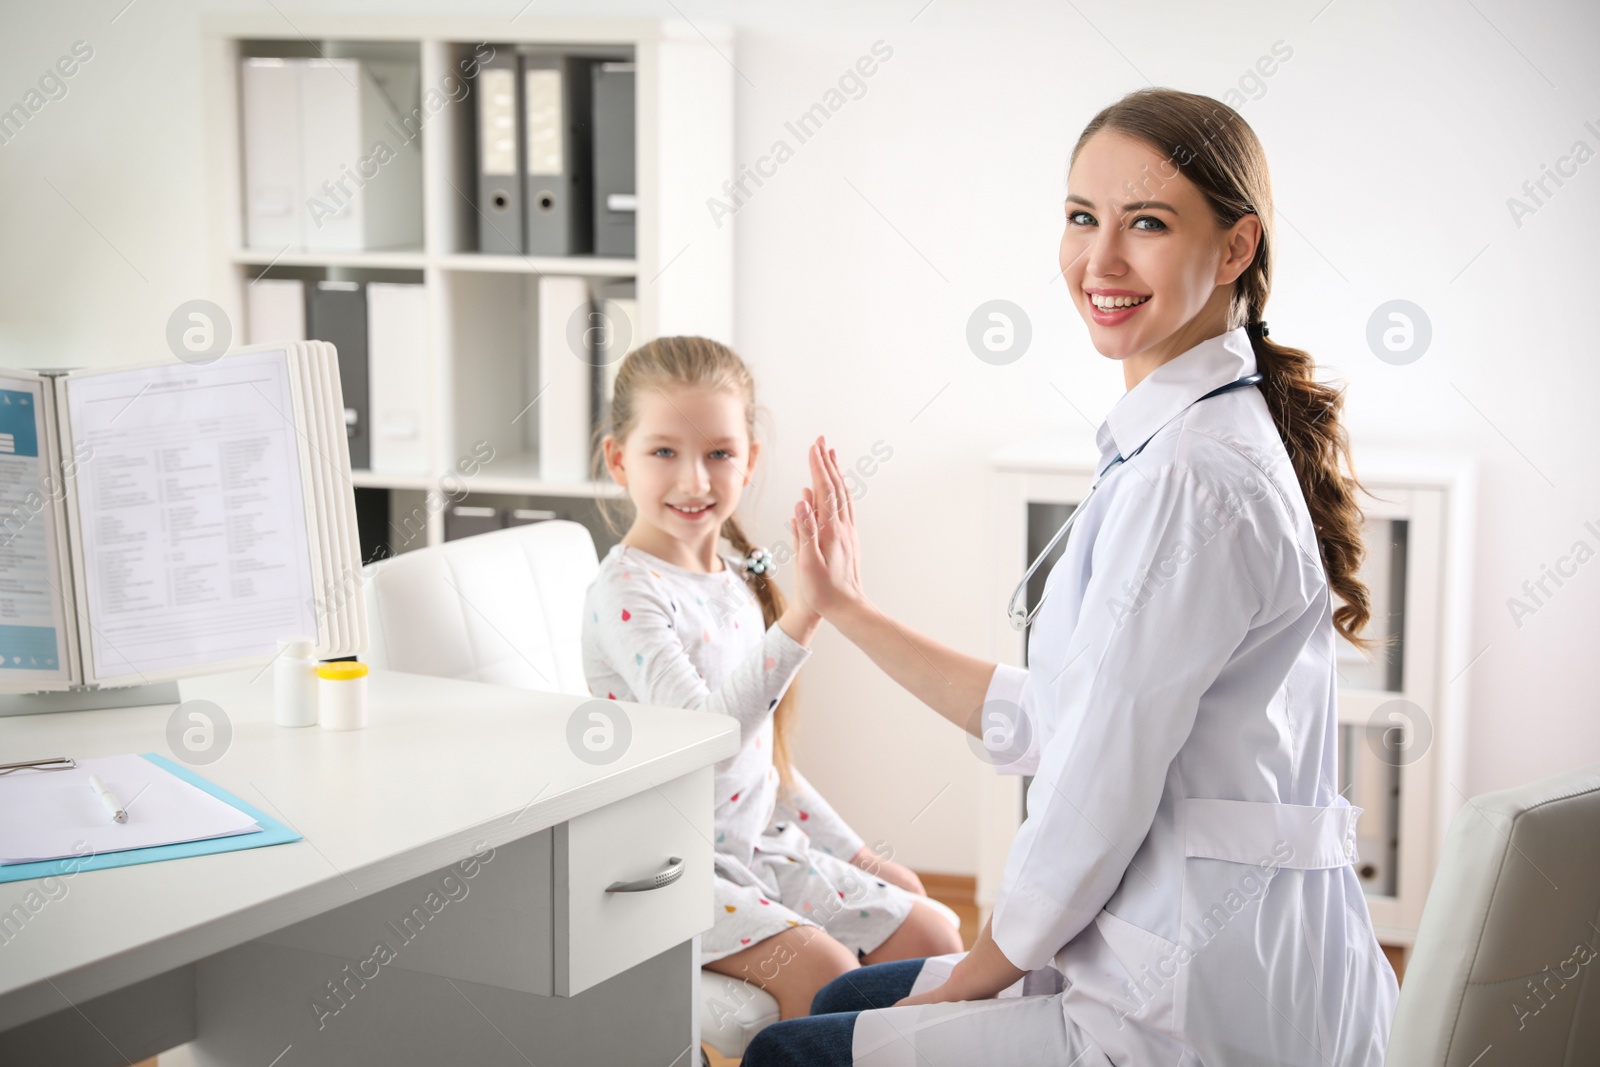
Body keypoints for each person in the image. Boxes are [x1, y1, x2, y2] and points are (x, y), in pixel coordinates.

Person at [745, 86, 1400, 1066]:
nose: (1100, 260)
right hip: (1180, 951)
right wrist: (844, 608)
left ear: (1234, 248)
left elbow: (1097, 784)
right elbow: (1061, 716)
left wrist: (980, 969)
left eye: (1146, 223)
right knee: (847, 994)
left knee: (789, 1052)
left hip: (1191, 1007)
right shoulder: (1179, 437)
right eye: (1081, 218)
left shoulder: (1192, 474)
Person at [581, 336, 964, 1023]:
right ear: (618, 458)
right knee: (828, 978)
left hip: (759, 848)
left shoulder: (735, 584)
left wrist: (861, 855)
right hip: (669, 866)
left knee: (933, 933)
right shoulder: (626, 592)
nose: (695, 480)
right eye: (663, 451)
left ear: (750, 459)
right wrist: (808, 616)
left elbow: (768, 768)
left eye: (719, 453)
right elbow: (712, 741)